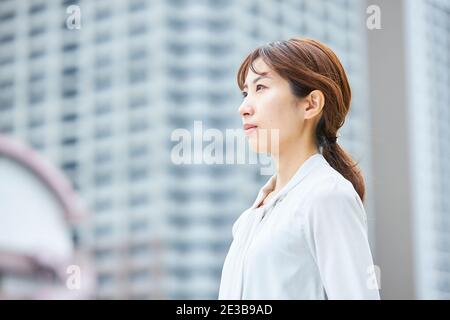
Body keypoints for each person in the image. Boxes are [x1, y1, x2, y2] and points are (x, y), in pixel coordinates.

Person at [218, 38, 380, 300]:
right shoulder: (249, 219)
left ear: (310, 104)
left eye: (261, 87)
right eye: (246, 92)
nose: (243, 108)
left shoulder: (327, 196)